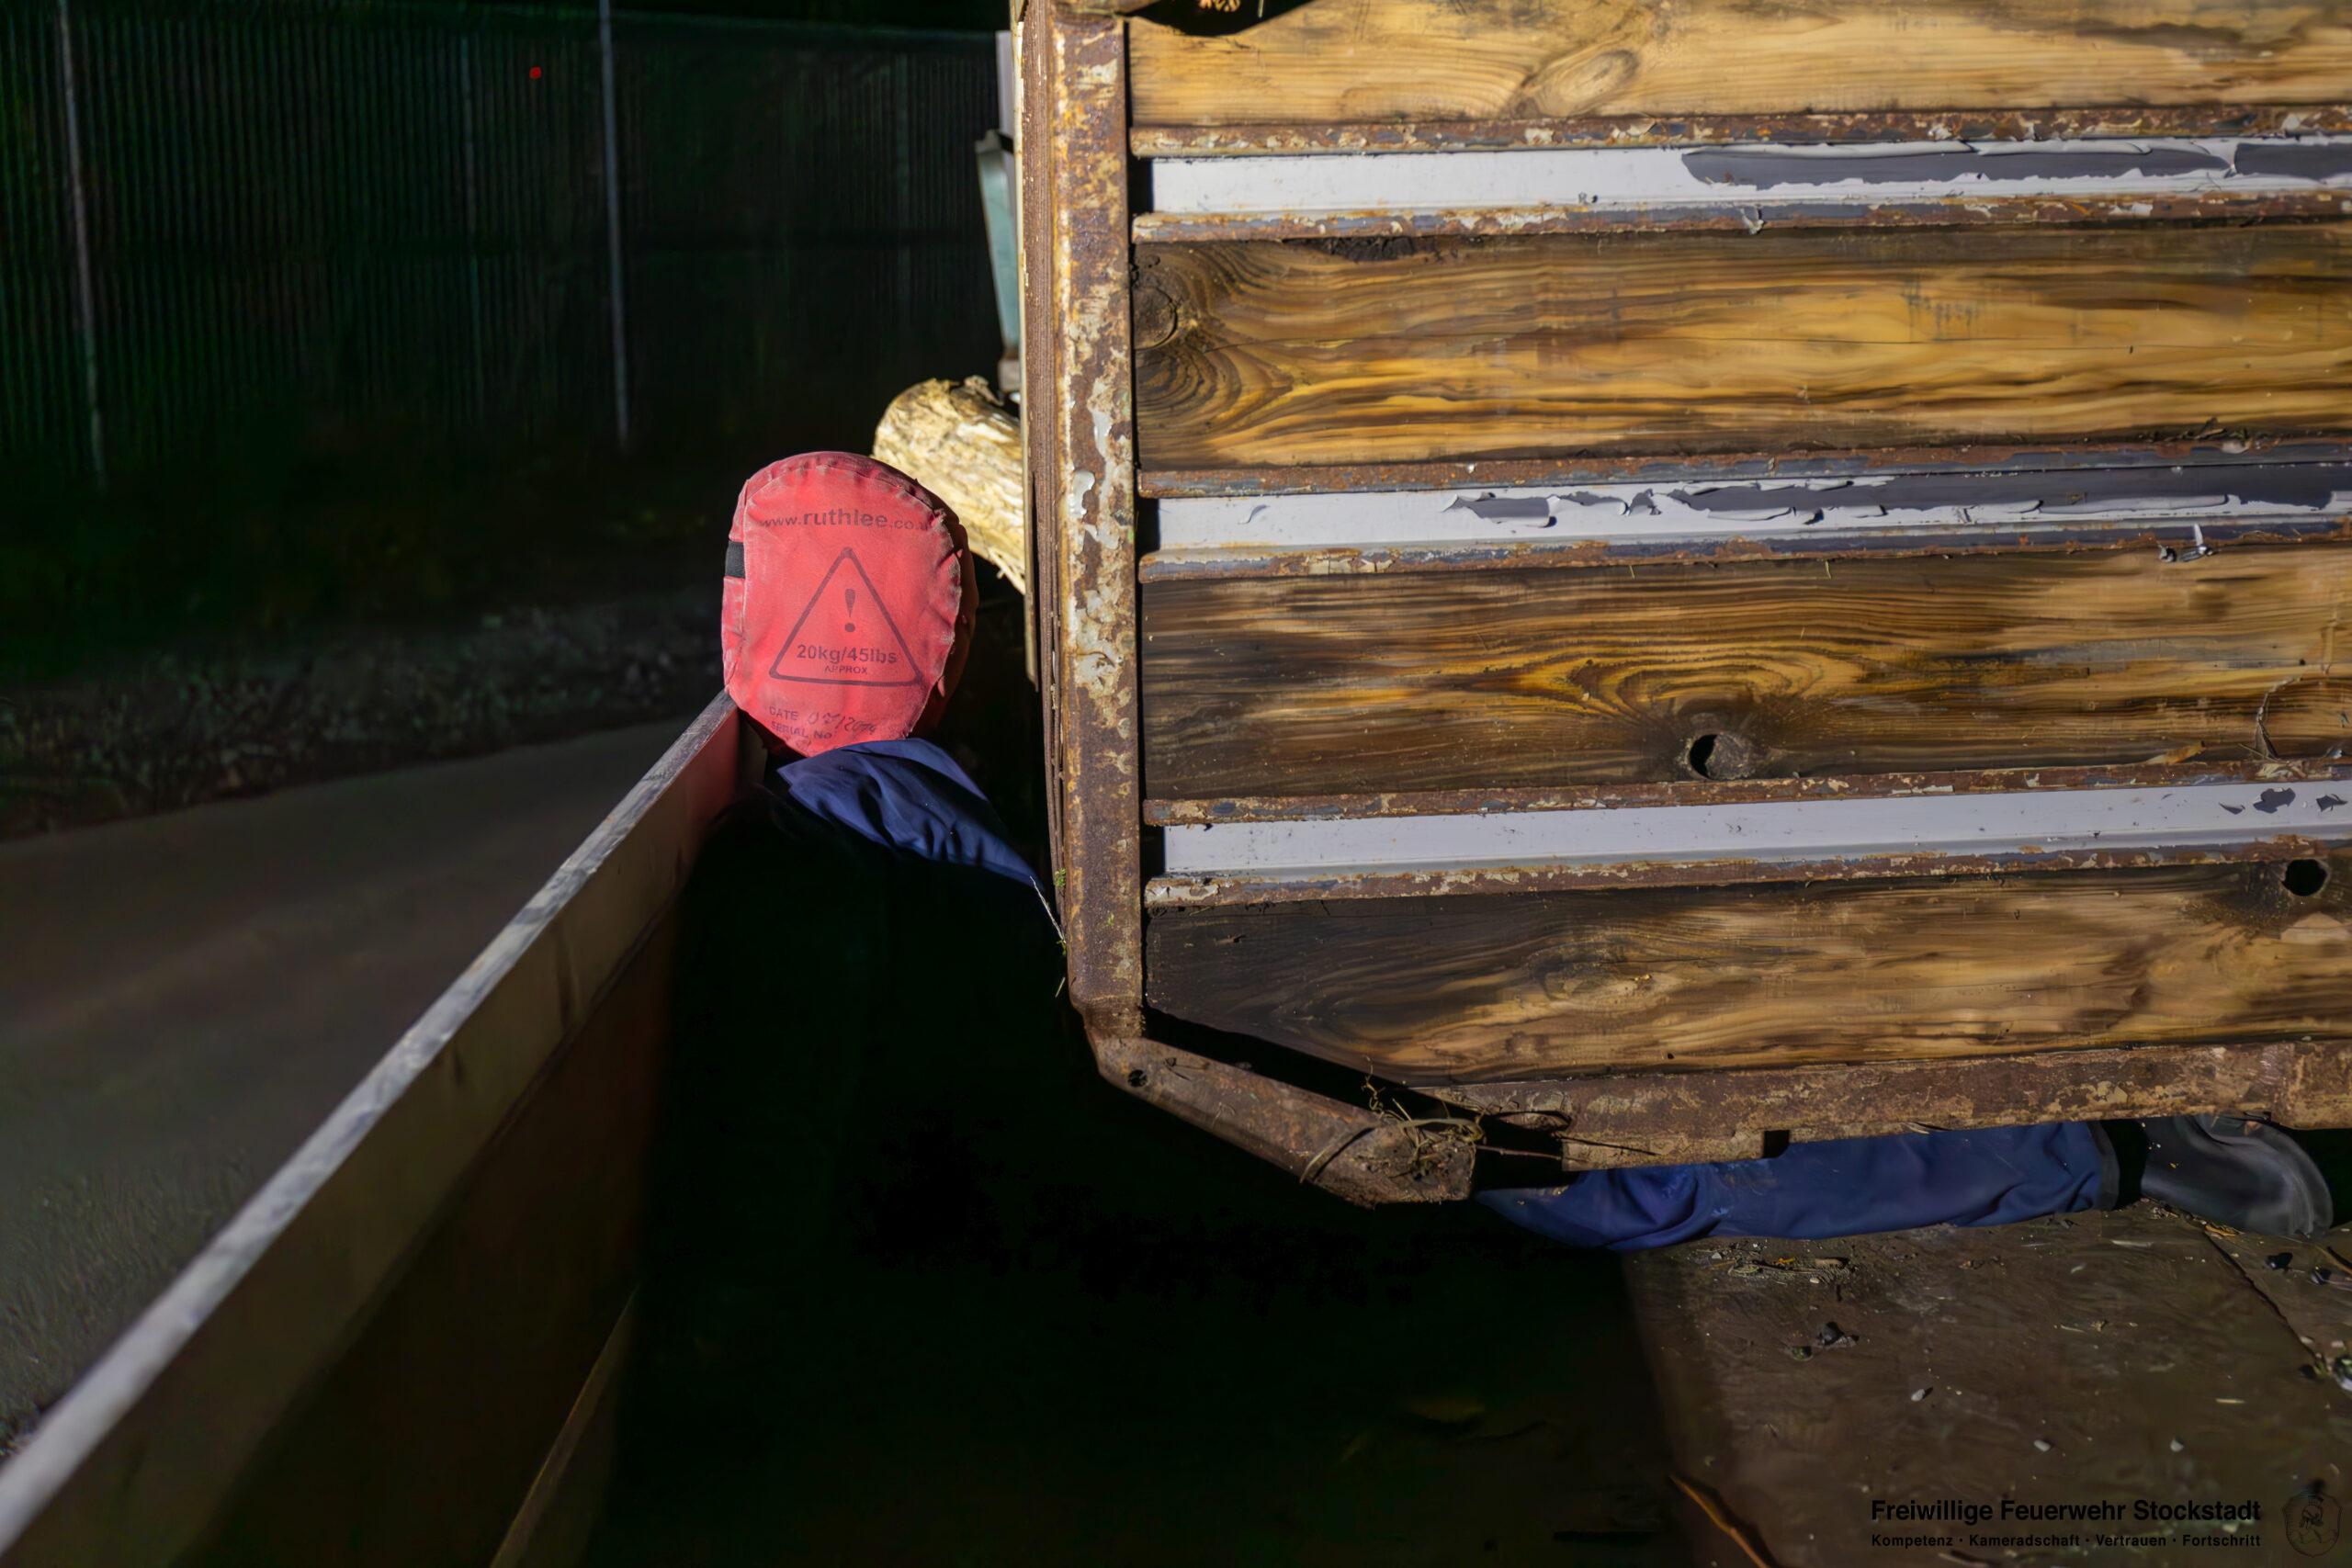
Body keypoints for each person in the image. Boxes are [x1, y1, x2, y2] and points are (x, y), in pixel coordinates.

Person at [684, 451, 2337, 1258]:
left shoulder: (821, 843)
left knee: (1609, 1170)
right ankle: (2103, 1144)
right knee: (1616, 1172)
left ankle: (2105, 1148)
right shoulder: (925, 828)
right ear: (968, 635)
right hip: (1238, 1161)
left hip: (1221, 1170)